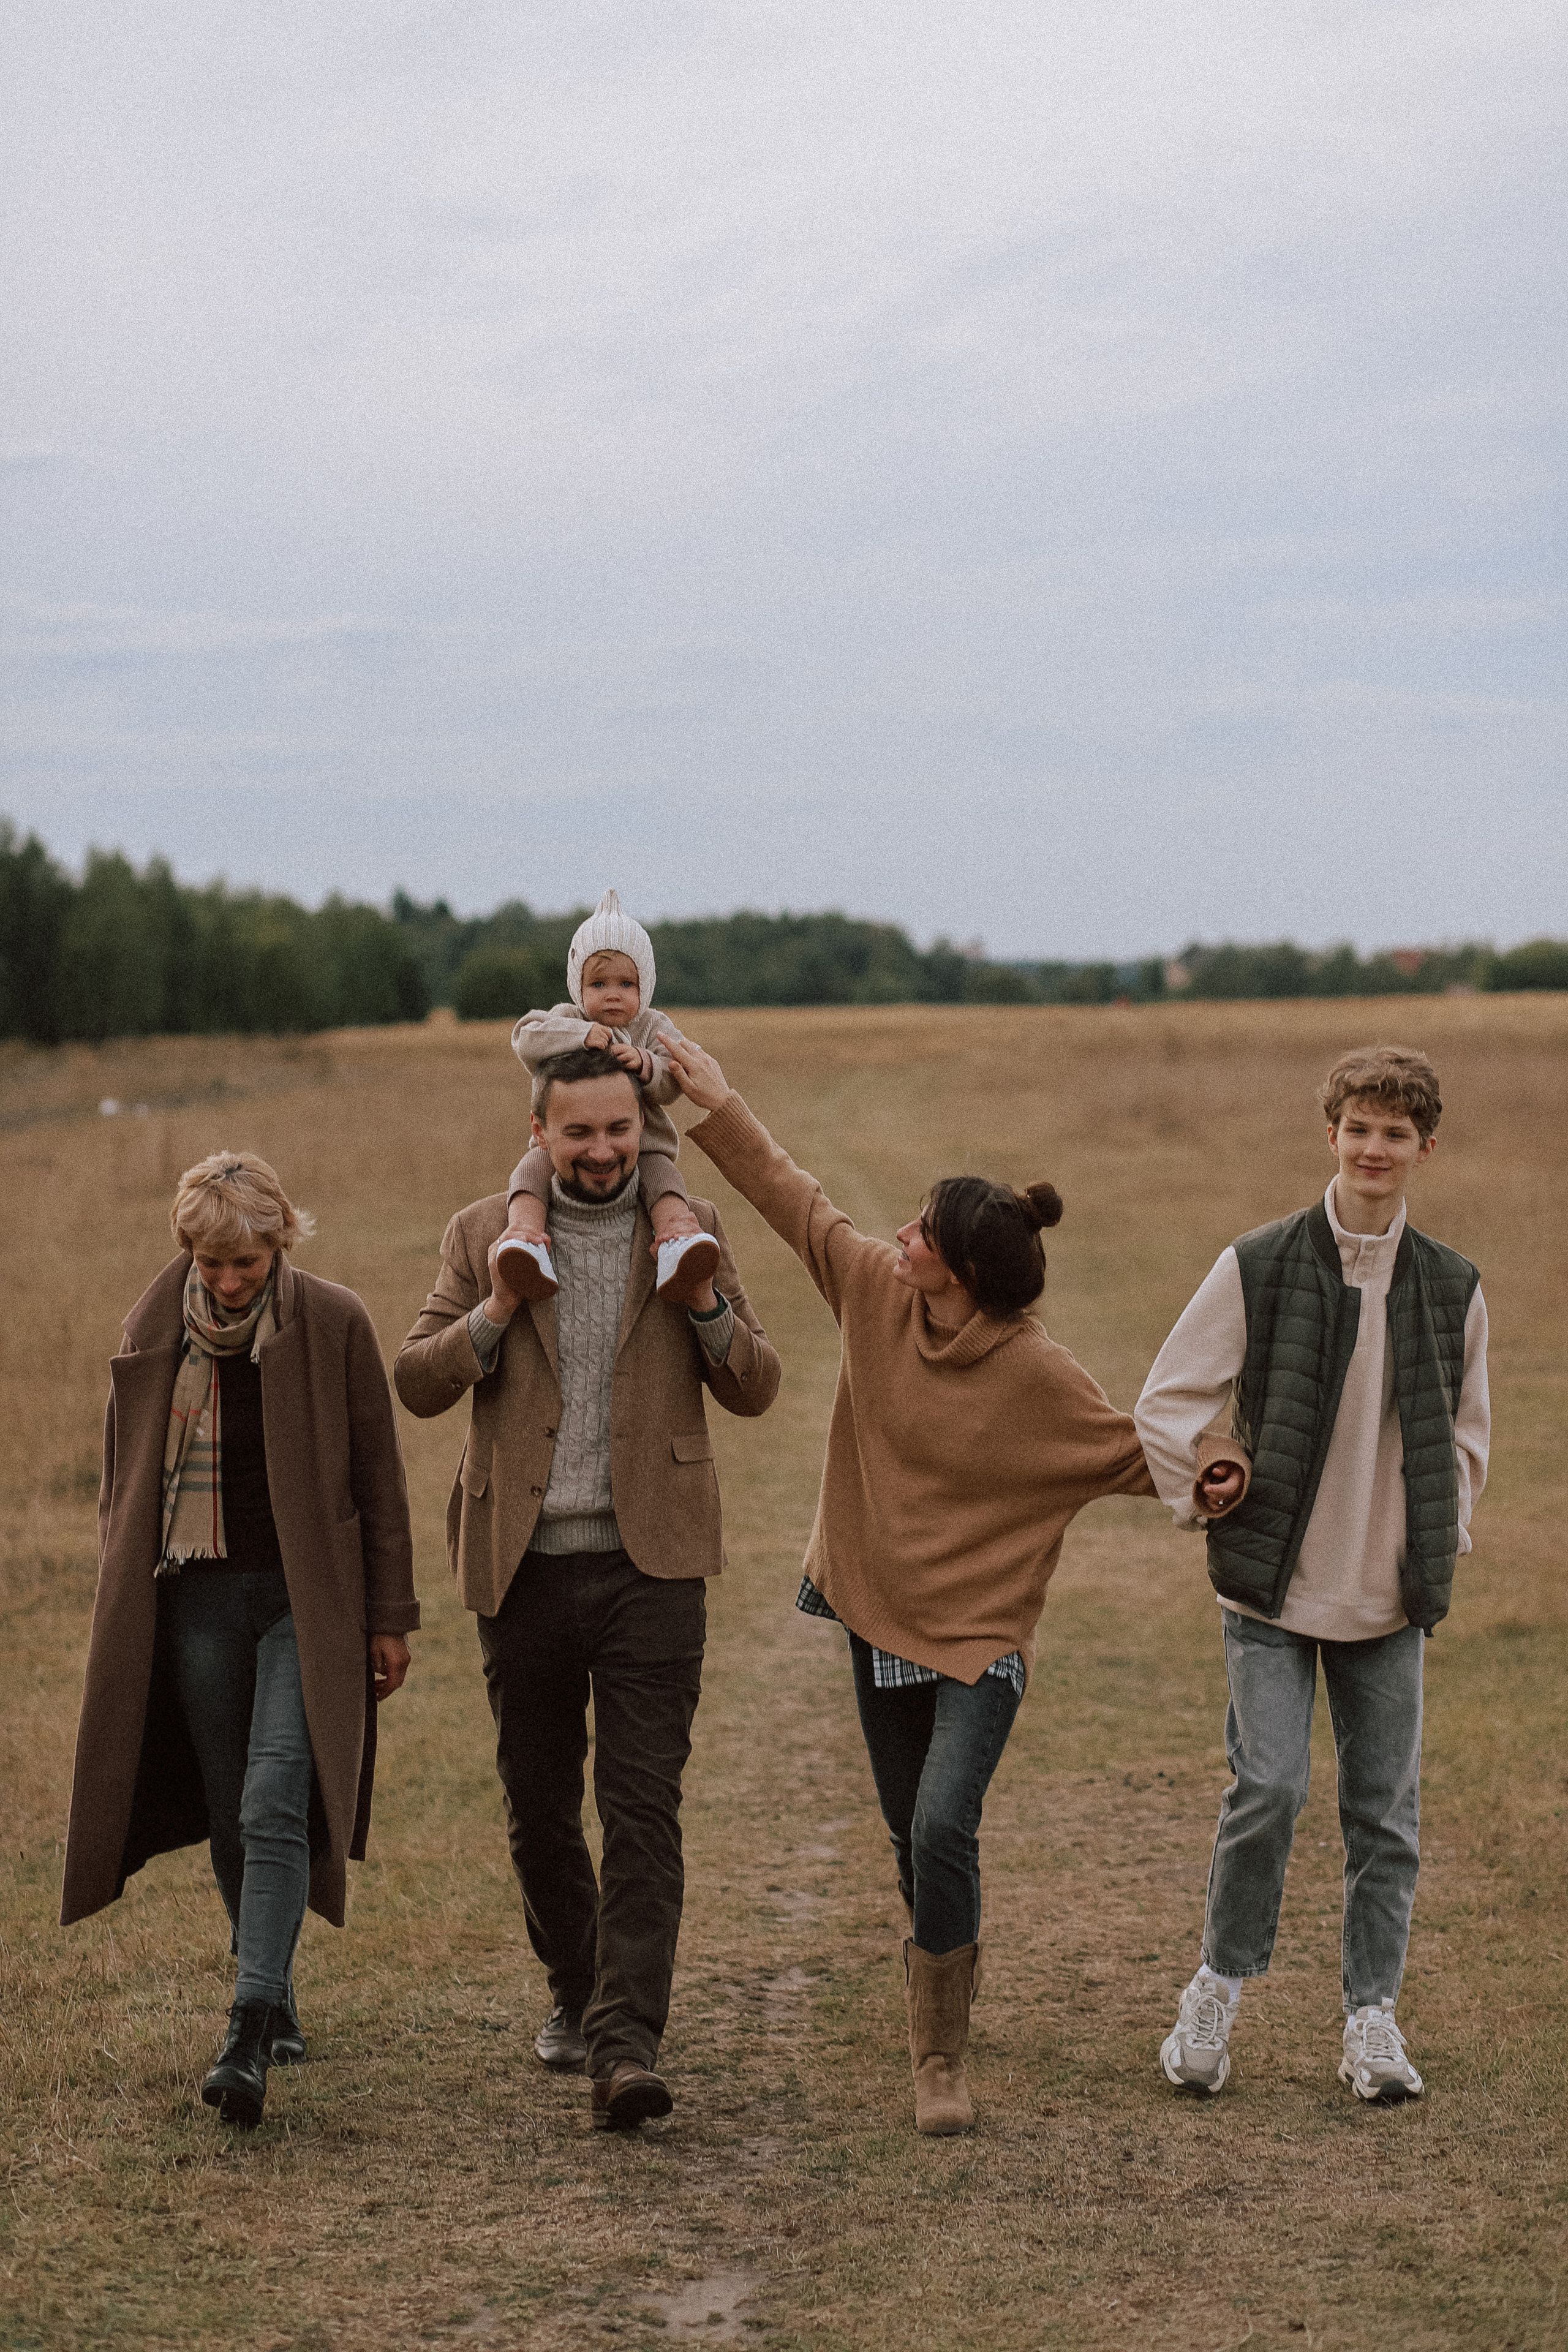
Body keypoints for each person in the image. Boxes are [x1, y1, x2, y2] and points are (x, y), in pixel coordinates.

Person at [661, 1034, 1249, 2135]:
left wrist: (1222, 1467)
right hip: (871, 1602)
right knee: (906, 1836)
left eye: (923, 1232)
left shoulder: (1038, 1376)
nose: (901, 1237)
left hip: (981, 1639)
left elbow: (1137, 1452)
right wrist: (717, 1099)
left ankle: (939, 2057)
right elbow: (793, 1195)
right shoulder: (877, 1294)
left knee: (940, 1827)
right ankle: (947, 1959)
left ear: (968, 1275)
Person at [394, 1044, 780, 2131]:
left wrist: (703, 1303)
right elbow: (417, 1379)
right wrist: (497, 1316)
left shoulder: (687, 1225)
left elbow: (756, 1383)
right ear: (541, 1137)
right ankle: (575, 1989)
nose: (602, 1150)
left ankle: (625, 2045)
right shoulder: (482, 1233)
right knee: (537, 1806)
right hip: (521, 1568)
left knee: (643, 1809)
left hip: (653, 1566)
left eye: (620, 1131)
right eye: (580, 1133)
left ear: (640, 1133)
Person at [1135, 1045, 1489, 2105]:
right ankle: (1216, 1990)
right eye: (1358, 1129)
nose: (1374, 1149)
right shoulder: (1259, 1263)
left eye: (1395, 1133)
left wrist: (1437, 1535)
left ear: (1424, 1147)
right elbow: (1169, 1400)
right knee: (1272, 1789)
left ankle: (1371, 2018)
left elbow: (1468, 1441)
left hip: (1388, 1598)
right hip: (1272, 1592)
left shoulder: (1455, 1286)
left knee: (1385, 1813)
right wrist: (1206, 1476)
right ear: (1330, 1134)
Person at [61, 1151, 418, 2130]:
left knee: (273, 1798)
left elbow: (379, 1481)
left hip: (306, 1602)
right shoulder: (151, 1326)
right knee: (231, 1809)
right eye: (212, 1264)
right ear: (190, 1251)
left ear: (280, 1244)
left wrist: (390, 1615)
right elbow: (119, 1484)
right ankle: (275, 1984)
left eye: (247, 1265)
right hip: (197, 1599)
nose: (227, 1282)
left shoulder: (335, 1321)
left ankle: (248, 2024)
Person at [495, 888, 720, 1308]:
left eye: (626, 983)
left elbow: (676, 1080)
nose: (613, 994)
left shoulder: (654, 1027)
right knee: (529, 1174)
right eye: (598, 983)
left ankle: (676, 1243)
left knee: (666, 1183)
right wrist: (579, 1035)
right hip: (561, 1143)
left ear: (645, 986)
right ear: (578, 987)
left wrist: (646, 1064)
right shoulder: (568, 1018)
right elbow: (525, 1039)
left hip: (643, 1144)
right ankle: (525, 1240)